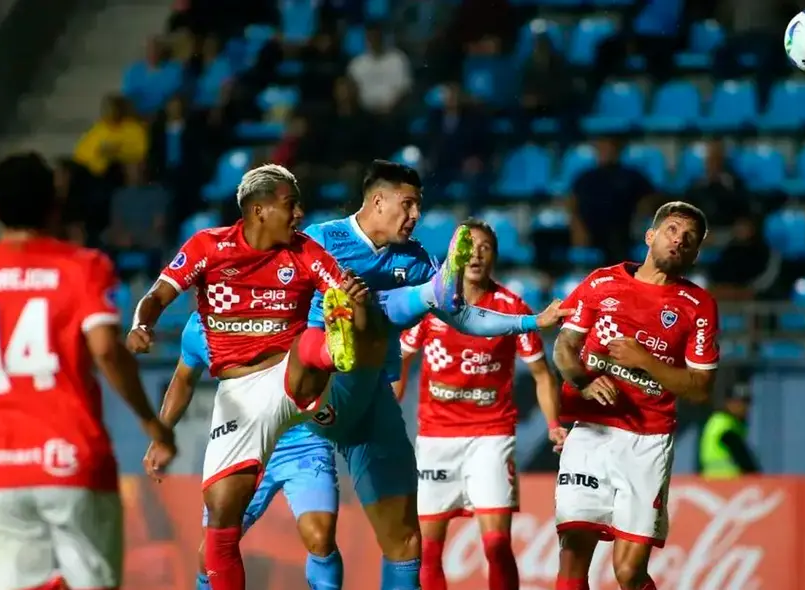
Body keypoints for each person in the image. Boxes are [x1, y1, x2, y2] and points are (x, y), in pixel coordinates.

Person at [300, 160, 571, 589]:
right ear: (378, 201)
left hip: (380, 404)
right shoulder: (320, 240)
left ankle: (417, 299)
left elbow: (465, 318)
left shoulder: (417, 258)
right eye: (407, 204)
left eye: (419, 207)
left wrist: (532, 322)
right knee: (276, 525)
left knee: (409, 542)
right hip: (316, 394)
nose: (416, 216)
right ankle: (341, 335)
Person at [128, 163, 380, 590]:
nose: (300, 213)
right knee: (221, 529)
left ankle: (330, 351)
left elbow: (353, 303)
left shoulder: (305, 253)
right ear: (258, 210)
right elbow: (158, 295)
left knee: (309, 343)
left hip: (290, 383)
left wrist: (355, 308)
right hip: (238, 398)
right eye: (290, 204)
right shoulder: (209, 249)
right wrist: (143, 325)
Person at [0, 152, 177, 590]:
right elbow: (104, 349)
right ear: (55, 205)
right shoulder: (83, 266)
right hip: (71, 462)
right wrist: (150, 422)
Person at [552, 201, 720, 590]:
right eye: (673, 230)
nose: (679, 240)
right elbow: (564, 347)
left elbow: (701, 387)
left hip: (648, 440)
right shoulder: (601, 283)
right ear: (651, 235)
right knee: (574, 550)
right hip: (592, 431)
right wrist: (582, 382)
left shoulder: (698, 306)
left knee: (628, 573)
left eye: (689, 239)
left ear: (695, 255)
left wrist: (646, 361)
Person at [398, 220, 566, 590]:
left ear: (495, 256)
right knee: (428, 548)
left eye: (485, 246)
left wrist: (554, 424)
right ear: (454, 253)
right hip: (436, 439)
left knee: (496, 543)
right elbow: (400, 366)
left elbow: (542, 373)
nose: (475, 253)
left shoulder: (511, 308)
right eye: (468, 245)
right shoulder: (430, 307)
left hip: (491, 436)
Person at [155, 310, 345, 590]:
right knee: (210, 554)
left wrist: (321, 397)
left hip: (301, 442)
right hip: (242, 444)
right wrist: (160, 433)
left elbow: (316, 353)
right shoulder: (200, 326)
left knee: (320, 536)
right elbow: (183, 378)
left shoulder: (288, 304)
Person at [699, 383, 760, 479]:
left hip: (725, 484)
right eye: (738, 402)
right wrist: (757, 476)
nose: (743, 407)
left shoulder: (735, 424)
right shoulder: (722, 422)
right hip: (721, 483)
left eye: (746, 402)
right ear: (728, 402)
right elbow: (740, 452)